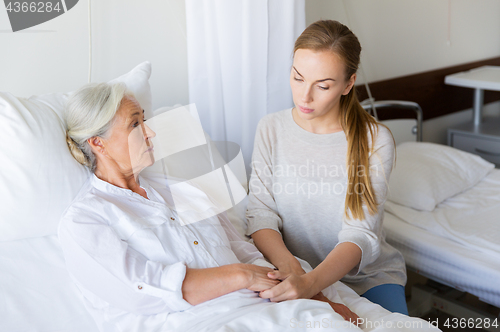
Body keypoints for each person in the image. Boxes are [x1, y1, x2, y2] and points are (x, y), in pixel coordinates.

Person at [59, 82, 359, 332]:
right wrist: (240, 275)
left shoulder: (183, 190)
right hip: (201, 322)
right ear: (98, 144)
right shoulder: (86, 220)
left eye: (145, 120)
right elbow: (143, 290)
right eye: (135, 124)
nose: (150, 133)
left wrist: (311, 295)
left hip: (264, 309)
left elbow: (242, 249)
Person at [246, 20, 408, 315]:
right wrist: (294, 271)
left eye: (322, 86)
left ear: (348, 84)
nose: (304, 96)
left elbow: (360, 234)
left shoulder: (375, 140)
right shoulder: (271, 128)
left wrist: (310, 284)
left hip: (367, 279)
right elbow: (260, 214)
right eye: (298, 78)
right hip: (293, 269)